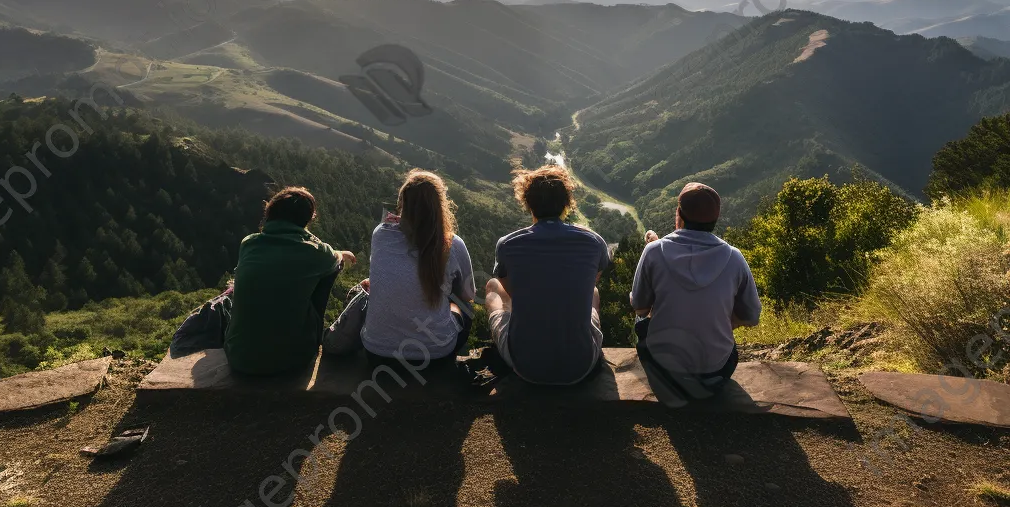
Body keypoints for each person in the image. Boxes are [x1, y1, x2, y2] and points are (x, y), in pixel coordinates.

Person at [326, 170, 475, 366]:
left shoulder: (381, 234)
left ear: (402, 202)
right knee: (462, 305)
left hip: (377, 354)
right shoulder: (453, 244)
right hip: (433, 357)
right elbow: (468, 293)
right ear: (440, 206)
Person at [630, 181, 761, 398]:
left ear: (678, 214)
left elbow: (640, 307)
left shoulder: (654, 252)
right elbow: (752, 316)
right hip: (717, 371)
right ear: (715, 218)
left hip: (664, 370)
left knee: (641, 322)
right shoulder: (734, 257)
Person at [485, 165, 609, 385]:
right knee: (594, 291)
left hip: (526, 366)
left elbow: (513, 292)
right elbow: (590, 282)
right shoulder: (594, 242)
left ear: (528, 204)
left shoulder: (507, 244)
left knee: (494, 287)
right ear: (566, 204)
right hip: (580, 365)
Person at [224, 185, 356, 375]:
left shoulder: (249, 243)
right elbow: (334, 259)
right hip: (292, 359)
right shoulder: (317, 252)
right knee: (332, 270)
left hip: (239, 357)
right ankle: (310, 335)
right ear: (308, 219)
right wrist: (342, 255)